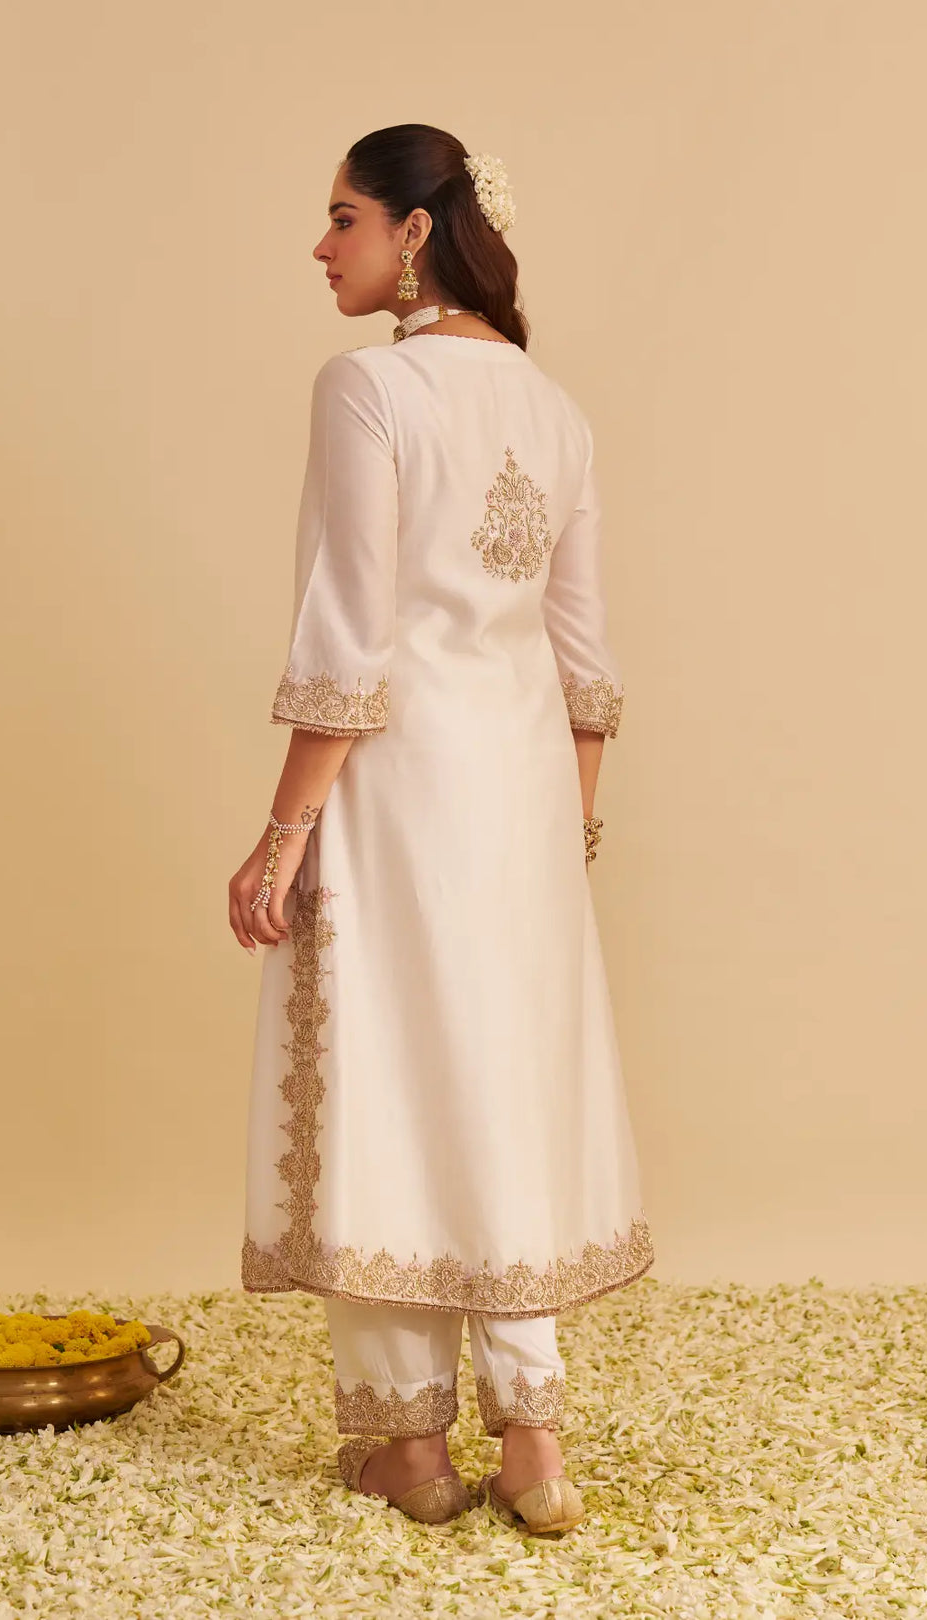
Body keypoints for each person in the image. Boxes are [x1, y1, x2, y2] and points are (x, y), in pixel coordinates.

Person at [228, 123, 654, 1536]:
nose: (321, 244)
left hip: (399, 788)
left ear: (417, 230)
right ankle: (532, 1438)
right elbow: (584, 661)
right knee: (504, 1081)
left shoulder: (369, 392)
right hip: (524, 796)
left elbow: (351, 641)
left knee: (390, 1083)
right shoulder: (558, 408)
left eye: (342, 216)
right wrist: (567, 830)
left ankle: (408, 1451)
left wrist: (282, 835)